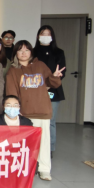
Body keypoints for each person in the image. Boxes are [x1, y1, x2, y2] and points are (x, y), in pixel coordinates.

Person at [6, 40, 64, 182]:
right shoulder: (13, 70)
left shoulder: (40, 65)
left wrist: (55, 76)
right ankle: (26, 168)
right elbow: (11, 92)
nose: (24, 53)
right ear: (16, 53)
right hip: (25, 113)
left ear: (31, 52)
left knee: (44, 142)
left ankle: (44, 169)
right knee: (25, 144)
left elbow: (52, 83)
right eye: (20, 50)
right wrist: (15, 110)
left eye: (26, 50)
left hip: (42, 111)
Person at [34, 26, 66, 158]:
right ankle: (35, 146)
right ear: (38, 36)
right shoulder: (33, 52)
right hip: (35, 90)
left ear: (52, 37)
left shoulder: (59, 52)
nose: (45, 36)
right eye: (43, 34)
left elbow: (61, 72)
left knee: (50, 121)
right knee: (35, 119)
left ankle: (50, 148)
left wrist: (51, 82)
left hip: (53, 90)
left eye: (48, 34)